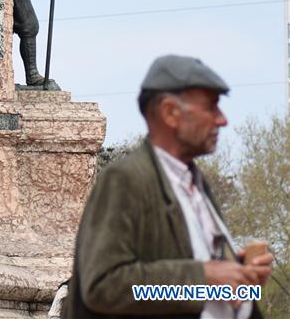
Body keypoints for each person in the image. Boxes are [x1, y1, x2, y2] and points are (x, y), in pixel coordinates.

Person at [64, 54, 273, 319]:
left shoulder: (197, 185)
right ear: (170, 112)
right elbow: (103, 287)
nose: (222, 120)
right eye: (211, 107)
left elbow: (201, 291)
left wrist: (242, 281)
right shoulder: (126, 178)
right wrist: (204, 276)